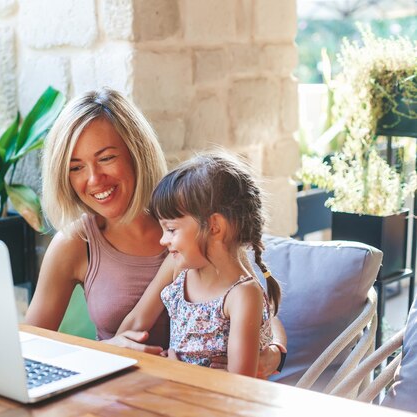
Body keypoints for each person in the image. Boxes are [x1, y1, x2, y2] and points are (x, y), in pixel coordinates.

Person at [24, 88, 286, 376]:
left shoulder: (191, 220)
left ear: (136, 153)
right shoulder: (75, 243)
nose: (94, 179)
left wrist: (274, 355)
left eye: (107, 158)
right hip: (115, 392)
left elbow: (256, 304)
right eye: (76, 167)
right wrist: (107, 350)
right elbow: (31, 347)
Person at [116, 153, 281, 377]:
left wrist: (177, 373)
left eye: (171, 229)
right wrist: (111, 355)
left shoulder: (242, 295)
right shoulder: (178, 268)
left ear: (214, 226)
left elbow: (241, 388)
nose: (163, 240)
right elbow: (136, 322)